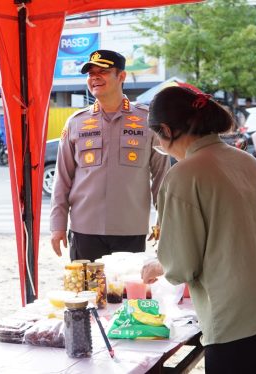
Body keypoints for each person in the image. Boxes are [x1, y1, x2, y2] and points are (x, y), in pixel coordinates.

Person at [143, 86, 256, 372]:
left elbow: (181, 266)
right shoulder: (245, 159)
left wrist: (157, 265)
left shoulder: (184, 175)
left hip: (244, 323)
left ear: (165, 130)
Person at [50, 49, 170, 261]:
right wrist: (57, 225)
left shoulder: (148, 121)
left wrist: (164, 223)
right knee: (85, 293)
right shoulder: (75, 122)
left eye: (102, 71)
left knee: (126, 293)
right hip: (84, 230)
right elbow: (62, 178)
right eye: (90, 73)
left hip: (130, 231)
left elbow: (162, 178)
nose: (94, 77)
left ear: (121, 76)